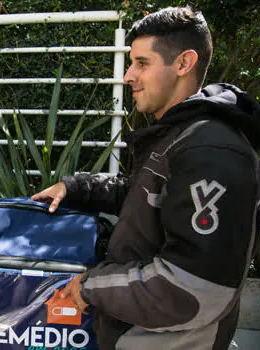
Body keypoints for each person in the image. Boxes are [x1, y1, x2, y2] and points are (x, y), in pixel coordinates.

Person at [32, 6, 260, 350]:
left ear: (183, 63)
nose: (127, 76)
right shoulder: (180, 135)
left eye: (142, 63)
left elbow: (192, 287)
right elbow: (145, 195)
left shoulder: (212, 152)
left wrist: (89, 286)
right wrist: (77, 187)